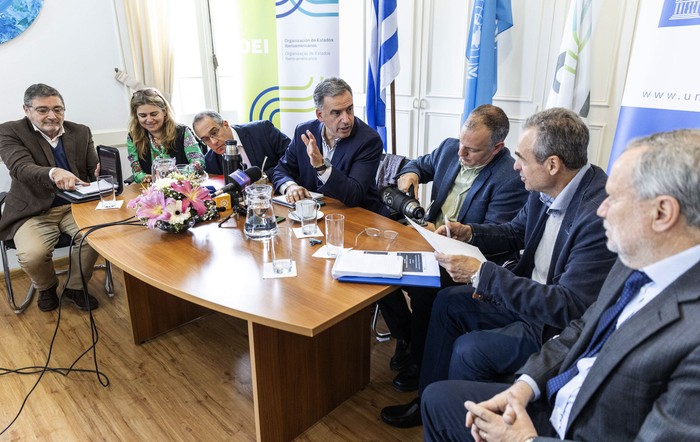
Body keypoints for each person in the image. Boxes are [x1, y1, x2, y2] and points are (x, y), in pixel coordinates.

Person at [422, 129, 700, 442]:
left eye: (616, 199)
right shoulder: (634, 260)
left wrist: (526, 440)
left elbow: (568, 308)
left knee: (467, 355)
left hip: (569, 425)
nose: (602, 209)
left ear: (662, 213)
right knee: (436, 395)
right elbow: (583, 328)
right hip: (558, 394)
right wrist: (525, 385)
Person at [381, 108, 617, 428]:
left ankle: (460, 422)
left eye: (521, 157)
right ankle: (429, 402)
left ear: (552, 165)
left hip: (550, 324)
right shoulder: (544, 186)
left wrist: (483, 275)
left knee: (469, 348)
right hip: (525, 295)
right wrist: (469, 232)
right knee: (447, 302)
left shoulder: (595, 215)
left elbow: (568, 307)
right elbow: (514, 231)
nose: (515, 164)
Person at [377, 104, 529, 394]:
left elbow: (500, 237)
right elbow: (418, 165)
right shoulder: (450, 149)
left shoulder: (509, 178)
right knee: (378, 264)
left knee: (424, 290)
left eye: (472, 151)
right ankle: (406, 336)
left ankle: (420, 362)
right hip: (424, 239)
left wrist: (458, 234)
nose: (462, 154)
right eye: (462, 143)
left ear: (497, 148)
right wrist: (411, 174)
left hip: (463, 257)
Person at [0, 83, 100, 312]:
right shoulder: (9, 131)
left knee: (96, 236)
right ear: (26, 109)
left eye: (58, 109)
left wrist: (99, 174)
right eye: (43, 110)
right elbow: (20, 167)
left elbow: (91, 169)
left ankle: (76, 287)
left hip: (74, 206)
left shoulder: (81, 131)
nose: (52, 116)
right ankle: (46, 287)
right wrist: (54, 173)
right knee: (32, 255)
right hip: (33, 211)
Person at [271, 77, 383, 212]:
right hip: (314, 215)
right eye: (337, 113)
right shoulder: (303, 132)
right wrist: (290, 187)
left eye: (349, 109)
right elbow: (281, 170)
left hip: (358, 216)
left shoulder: (368, 140)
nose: (346, 120)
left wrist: (321, 167)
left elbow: (354, 195)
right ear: (320, 115)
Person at [126, 87, 205, 183]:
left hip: (183, 187)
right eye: (143, 116)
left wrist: (177, 174)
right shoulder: (133, 137)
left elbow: (198, 162)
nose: (149, 119)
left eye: (154, 114)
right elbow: (137, 172)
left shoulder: (183, 132)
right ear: (136, 116)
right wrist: (145, 177)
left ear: (164, 111)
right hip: (151, 191)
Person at [192, 110, 291, 179]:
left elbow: (293, 159)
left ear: (225, 125)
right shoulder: (211, 162)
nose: (213, 142)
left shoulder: (263, 130)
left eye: (214, 133)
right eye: (206, 139)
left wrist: (265, 175)